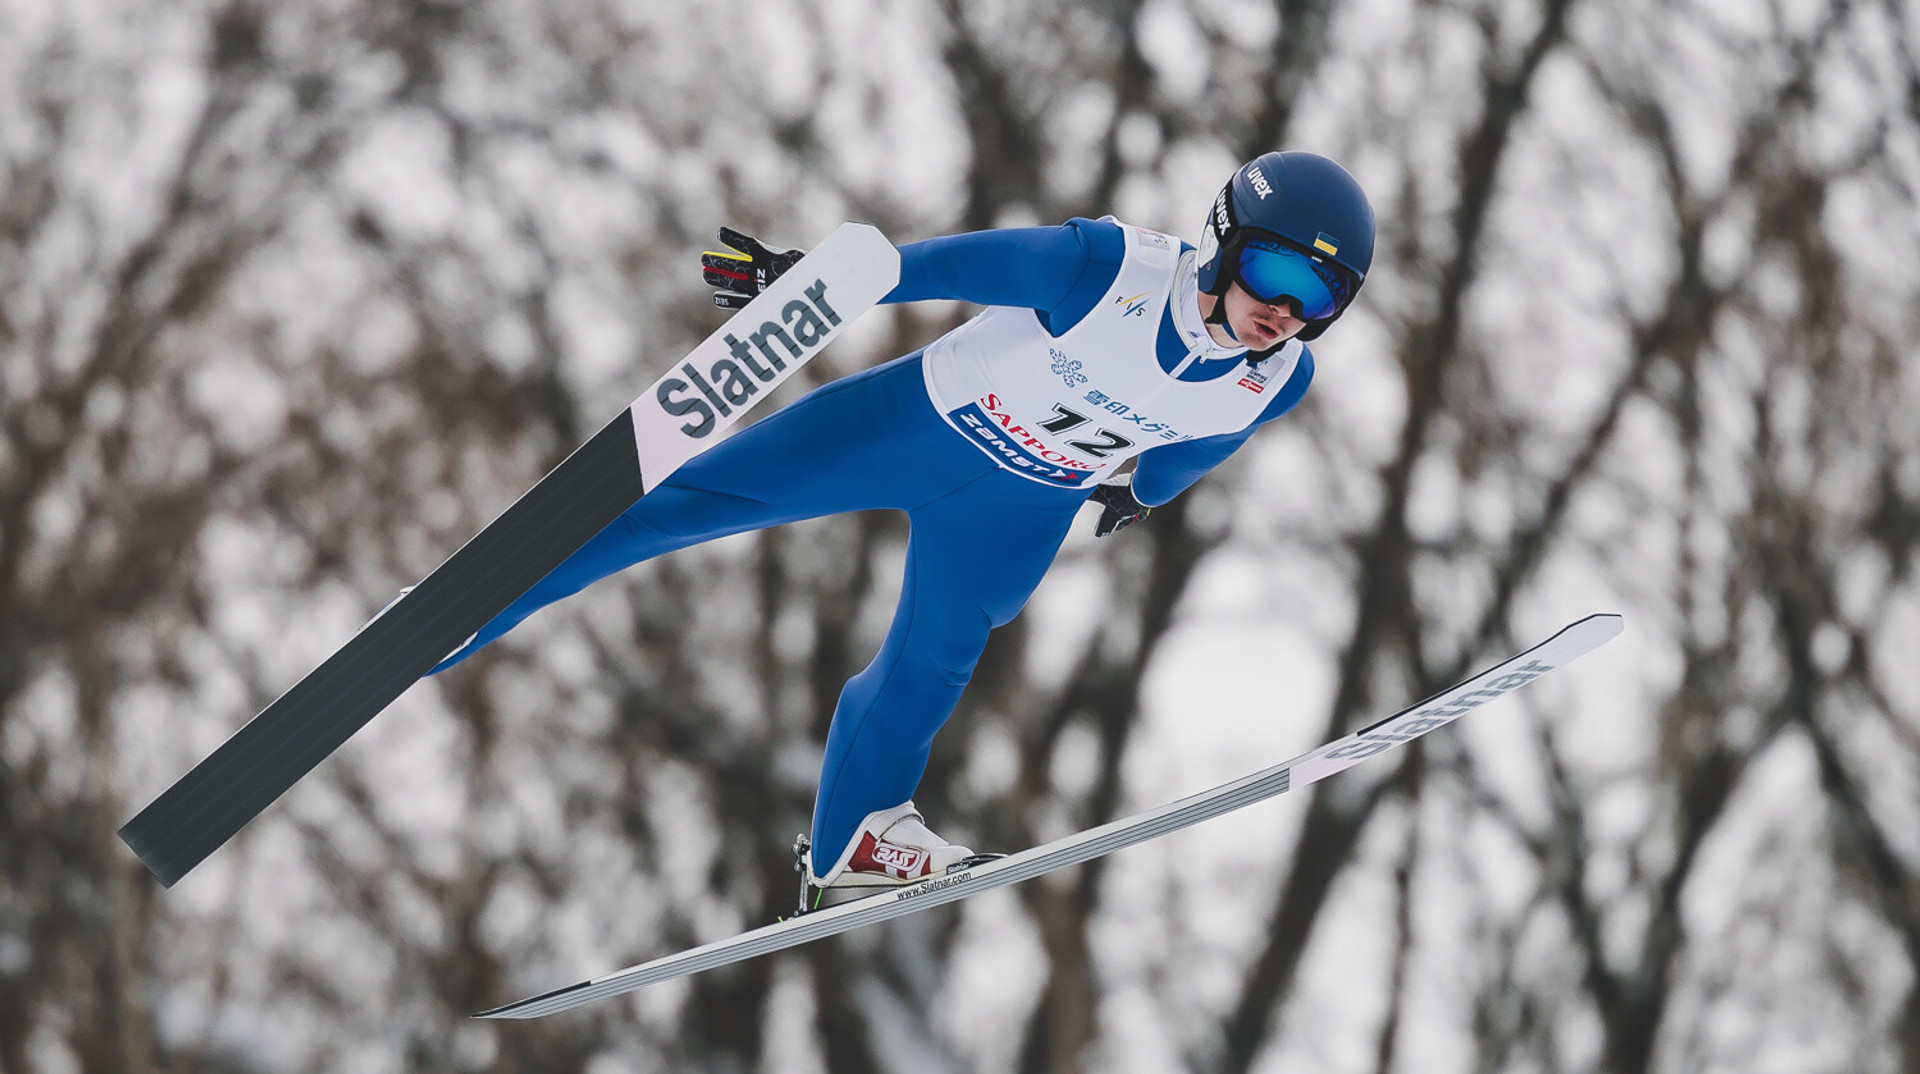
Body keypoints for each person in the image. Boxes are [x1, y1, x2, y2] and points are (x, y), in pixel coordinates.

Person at [428, 151, 1375, 911]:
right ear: (1223, 239)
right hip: (914, 427)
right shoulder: (1105, 269)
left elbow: (1196, 441)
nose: (1284, 310)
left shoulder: (1278, 377)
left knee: (930, 667)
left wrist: (1145, 496)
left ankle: (853, 842)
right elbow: (946, 265)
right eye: (1275, 269)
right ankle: (469, 607)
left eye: (1320, 297)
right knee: (687, 503)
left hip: (1022, 506)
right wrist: (812, 286)